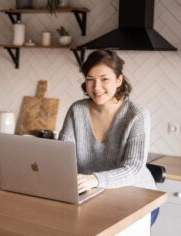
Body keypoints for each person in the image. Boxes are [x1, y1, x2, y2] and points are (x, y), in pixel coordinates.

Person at [58, 49, 159, 225]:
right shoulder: (77, 110)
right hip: (91, 196)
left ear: (119, 80)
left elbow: (133, 169)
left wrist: (95, 179)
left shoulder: (137, 115)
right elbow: (62, 156)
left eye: (104, 79)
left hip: (136, 198)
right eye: (90, 79)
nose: (96, 87)